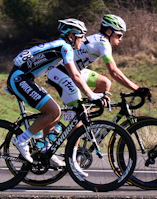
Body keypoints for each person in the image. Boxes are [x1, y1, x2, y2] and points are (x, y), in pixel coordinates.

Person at [7, 18, 106, 167]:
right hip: (20, 78)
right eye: (81, 36)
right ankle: (22, 139)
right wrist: (91, 95)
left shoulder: (61, 45)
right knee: (53, 111)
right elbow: (75, 76)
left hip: (24, 77)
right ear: (71, 36)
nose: (84, 40)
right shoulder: (65, 47)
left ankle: (47, 150)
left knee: (54, 112)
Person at [47, 14, 152, 108]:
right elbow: (113, 71)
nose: (121, 39)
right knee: (79, 113)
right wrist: (136, 88)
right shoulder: (104, 43)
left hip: (72, 70)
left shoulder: (98, 38)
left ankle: (87, 123)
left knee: (104, 83)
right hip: (60, 72)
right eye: (119, 35)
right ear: (109, 32)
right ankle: (79, 123)